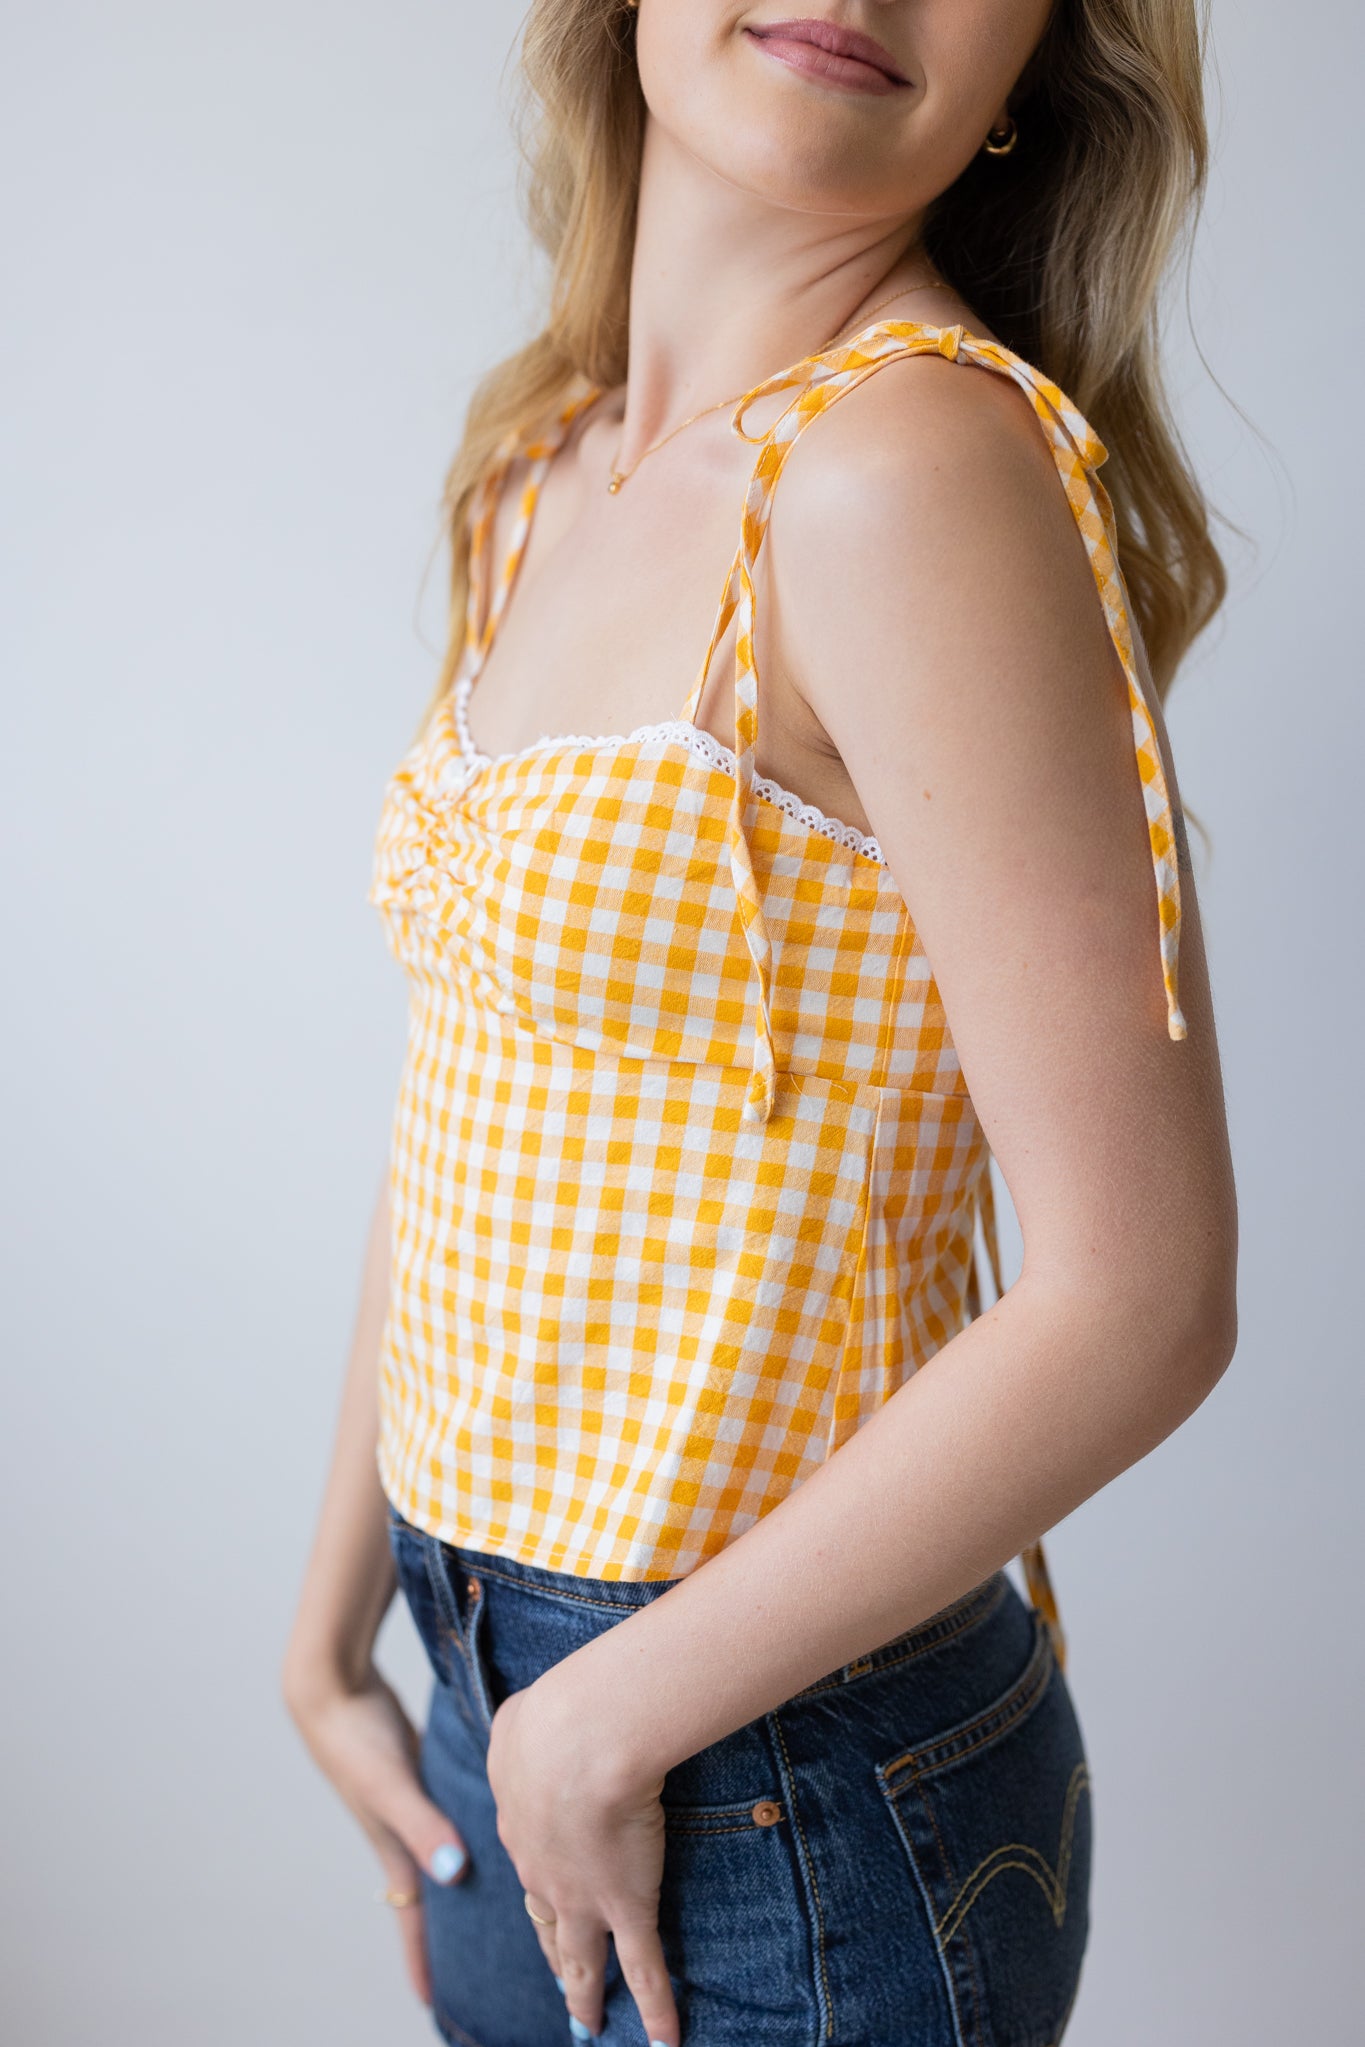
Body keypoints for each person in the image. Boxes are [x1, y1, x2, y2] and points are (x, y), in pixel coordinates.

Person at [283, 4, 1239, 2044]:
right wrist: (332, 1617)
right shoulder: (548, 460)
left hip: (771, 1771)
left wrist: (597, 1721)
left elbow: (1139, 1296)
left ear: (1028, 77)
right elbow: (475, 1090)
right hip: (507, 1701)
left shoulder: (903, 469)